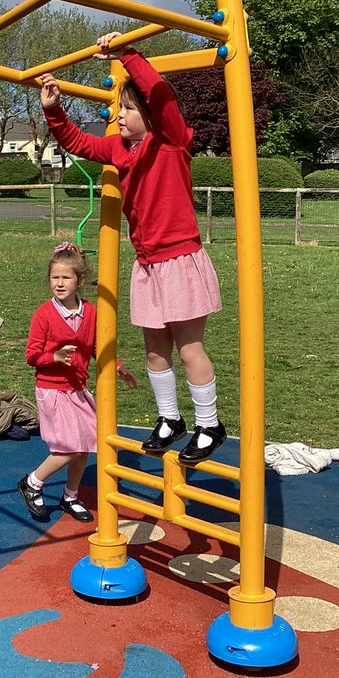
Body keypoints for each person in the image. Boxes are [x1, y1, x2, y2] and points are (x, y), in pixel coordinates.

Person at [39, 33, 226, 466]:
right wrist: (54, 110)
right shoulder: (121, 150)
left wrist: (128, 57)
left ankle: (209, 423)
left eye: (126, 108)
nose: (118, 116)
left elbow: (163, 102)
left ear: (146, 112)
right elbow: (78, 142)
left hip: (179, 258)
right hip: (148, 264)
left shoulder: (171, 140)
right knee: (154, 349)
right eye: (118, 108)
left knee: (188, 348)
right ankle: (169, 418)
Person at [18, 242, 136, 523]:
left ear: (80, 281)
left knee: (87, 444)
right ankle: (32, 482)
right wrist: (55, 356)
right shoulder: (43, 315)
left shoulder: (92, 313)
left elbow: (97, 347)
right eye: (54, 278)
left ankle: (70, 495)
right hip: (53, 389)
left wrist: (117, 367)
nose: (59, 283)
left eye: (65, 278)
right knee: (68, 448)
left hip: (78, 389)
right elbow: (32, 356)